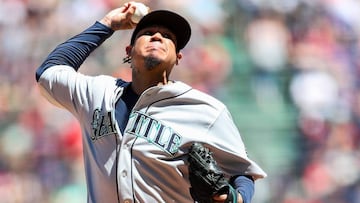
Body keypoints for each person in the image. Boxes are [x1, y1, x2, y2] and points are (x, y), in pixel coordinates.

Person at [35, 2, 266, 202]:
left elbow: (242, 172)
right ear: (129, 51)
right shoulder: (98, 93)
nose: (157, 36)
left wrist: (235, 198)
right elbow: (48, 72)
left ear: (178, 57)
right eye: (148, 33)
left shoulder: (205, 110)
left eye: (168, 37)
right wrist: (107, 24)